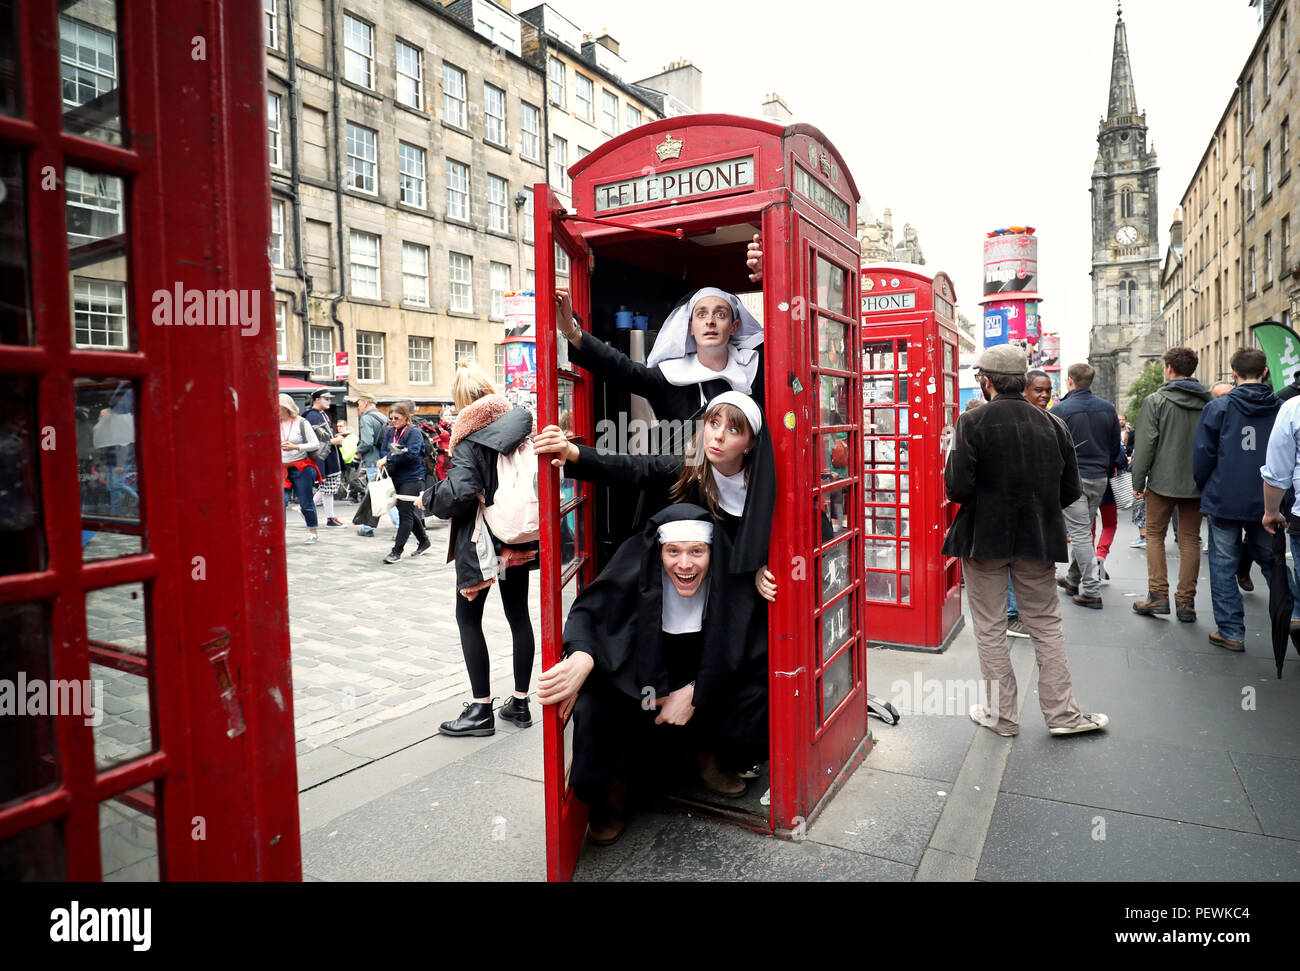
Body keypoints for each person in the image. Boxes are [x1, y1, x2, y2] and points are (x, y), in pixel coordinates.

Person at [534, 390, 776, 776]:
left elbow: (796, 532)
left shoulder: (767, 486)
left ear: (749, 444)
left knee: (754, 670)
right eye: (712, 424)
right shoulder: (691, 468)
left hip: (733, 591)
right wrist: (575, 454)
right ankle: (619, 785)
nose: (717, 437)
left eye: (733, 430)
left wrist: (767, 564)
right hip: (684, 573)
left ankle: (720, 756)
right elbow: (636, 467)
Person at [537, 504, 758, 845]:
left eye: (697, 551)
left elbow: (743, 646)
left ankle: (709, 758)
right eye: (673, 552)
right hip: (640, 672)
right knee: (594, 707)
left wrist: (696, 691)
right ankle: (610, 791)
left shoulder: (728, 585)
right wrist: (582, 655)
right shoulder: (635, 569)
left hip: (699, 671)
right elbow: (590, 612)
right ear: (659, 551)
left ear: (713, 552)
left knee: (753, 687)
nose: (684, 564)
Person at [942, 344, 1108, 737]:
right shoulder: (1053, 425)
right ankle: (1063, 716)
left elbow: (957, 487)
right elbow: (1070, 490)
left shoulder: (972, 422)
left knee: (990, 628)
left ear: (987, 382)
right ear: (1020, 381)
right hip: (1037, 538)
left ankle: (1002, 718)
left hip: (984, 539)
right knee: (1047, 626)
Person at [431, 363, 537, 737]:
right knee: (518, 614)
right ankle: (521, 703)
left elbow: (460, 492)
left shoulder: (469, 438)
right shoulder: (518, 427)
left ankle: (480, 710)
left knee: (468, 618)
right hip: (515, 542)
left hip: (482, 543)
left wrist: (431, 497)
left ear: (463, 402)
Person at [1194, 348, 1280, 651]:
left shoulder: (1219, 408)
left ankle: (1231, 631)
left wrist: (1204, 486)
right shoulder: (1281, 407)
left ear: (1233, 374)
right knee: (1273, 561)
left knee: (1222, 563)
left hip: (1225, 496)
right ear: (1265, 372)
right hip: (1267, 497)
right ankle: (1294, 614)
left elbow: (1204, 454)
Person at [1129, 347, 1212, 621]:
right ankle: (1186, 603)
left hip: (1162, 482)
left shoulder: (1156, 401)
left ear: (1169, 369)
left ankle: (1158, 595)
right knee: (1190, 539)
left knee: (1154, 535)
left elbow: (1145, 445)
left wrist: (1138, 481)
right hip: (1197, 482)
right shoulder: (1208, 401)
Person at [1051, 363, 1121, 609]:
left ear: (1070, 381)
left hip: (1073, 478)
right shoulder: (1108, 408)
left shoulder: (1060, 410)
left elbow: (1054, 449)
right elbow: (1115, 447)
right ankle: (1072, 580)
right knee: (1084, 529)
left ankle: (1091, 590)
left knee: (1080, 534)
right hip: (1099, 477)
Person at [376, 402, 431, 564]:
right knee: (406, 511)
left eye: (397, 418)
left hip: (413, 477)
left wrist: (390, 457)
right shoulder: (390, 431)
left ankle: (396, 551)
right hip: (396, 476)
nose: (393, 421)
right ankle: (424, 541)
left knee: (405, 514)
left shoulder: (413, 432)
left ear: (406, 417)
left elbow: (413, 454)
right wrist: (391, 455)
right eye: (391, 418)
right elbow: (384, 450)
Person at [278, 393, 321, 545]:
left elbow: (315, 443)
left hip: (301, 467)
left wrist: (296, 446)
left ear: (286, 407)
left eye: (279, 407)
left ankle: (313, 531)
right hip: (281, 468)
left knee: (305, 501)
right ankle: (279, 535)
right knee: (280, 502)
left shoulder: (301, 422)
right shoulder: (272, 422)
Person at [303, 389, 346, 528]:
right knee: (327, 486)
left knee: (328, 487)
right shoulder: (312, 416)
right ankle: (312, 511)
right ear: (316, 399)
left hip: (328, 454)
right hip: (323, 455)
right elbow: (314, 440)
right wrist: (333, 441)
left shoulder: (322, 414)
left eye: (330, 399)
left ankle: (329, 516)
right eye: (326, 398)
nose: (329, 401)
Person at [355, 395, 387, 536]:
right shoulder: (384, 417)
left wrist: (358, 452)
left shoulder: (366, 418)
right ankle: (368, 526)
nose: (358, 407)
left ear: (365, 403)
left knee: (378, 493)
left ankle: (368, 528)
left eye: (359, 404)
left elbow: (367, 442)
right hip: (385, 459)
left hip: (373, 460)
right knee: (383, 491)